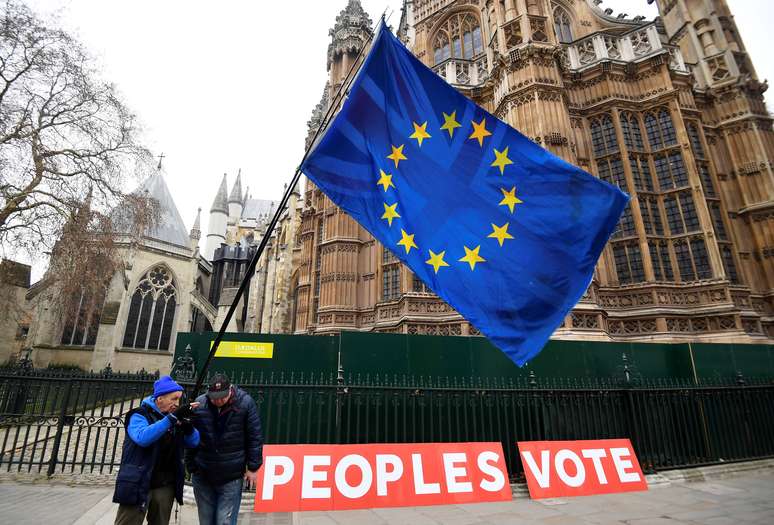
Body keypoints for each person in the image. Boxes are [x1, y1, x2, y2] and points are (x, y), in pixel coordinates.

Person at [113, 375, 200, 525]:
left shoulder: (173, 417)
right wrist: (171, 419)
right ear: (159, 398)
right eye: (173, 399)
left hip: (165, 484)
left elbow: (194, 442)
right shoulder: (138, 415)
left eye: (179, 399)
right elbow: (143, 438)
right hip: (138, 482)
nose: (177, 403)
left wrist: (188, 427)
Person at [187, 373, 263, 525]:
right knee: (206, 520)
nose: (219, 401)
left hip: (231, 474)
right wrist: (191, 465)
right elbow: (190, 437)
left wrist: (253, 468)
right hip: (203, 472)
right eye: (215, 397)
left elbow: (255, 436)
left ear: (230, 390)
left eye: (222, 396)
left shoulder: (245, 403)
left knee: (224, 521)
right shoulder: (199, 404)